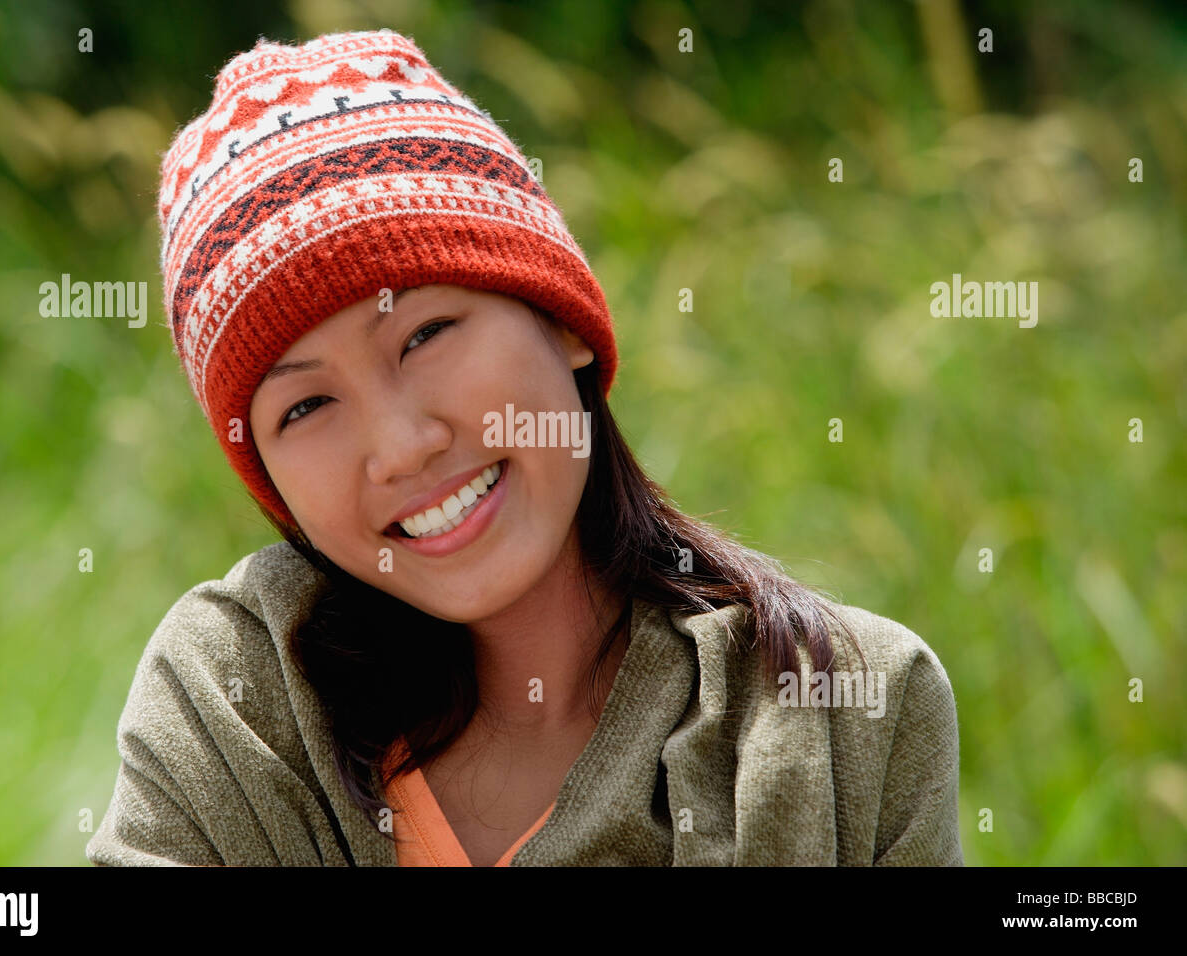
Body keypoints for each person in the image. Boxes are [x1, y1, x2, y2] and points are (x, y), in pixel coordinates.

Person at [86, 28, 963, 867]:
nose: (400, 447)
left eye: (426, 335)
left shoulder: (842, 715)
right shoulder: (233, 705)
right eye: (307, 404)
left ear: (560, 319)